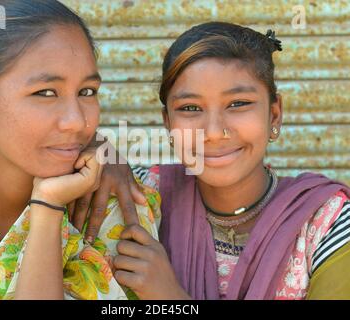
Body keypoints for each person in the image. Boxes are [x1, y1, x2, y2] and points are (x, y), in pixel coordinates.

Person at [109, 22, 350, 300]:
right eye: (190, 108)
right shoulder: (137, 197)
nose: (213, 132)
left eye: (238, 104)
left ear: (274, 114)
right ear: (168, 124)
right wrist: (98, 153)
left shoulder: (325, 223)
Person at [0, 0, 161, 300]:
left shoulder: (112, 203)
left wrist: (48, 206)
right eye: (46, 93)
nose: (77, 122)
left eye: (86, 92)